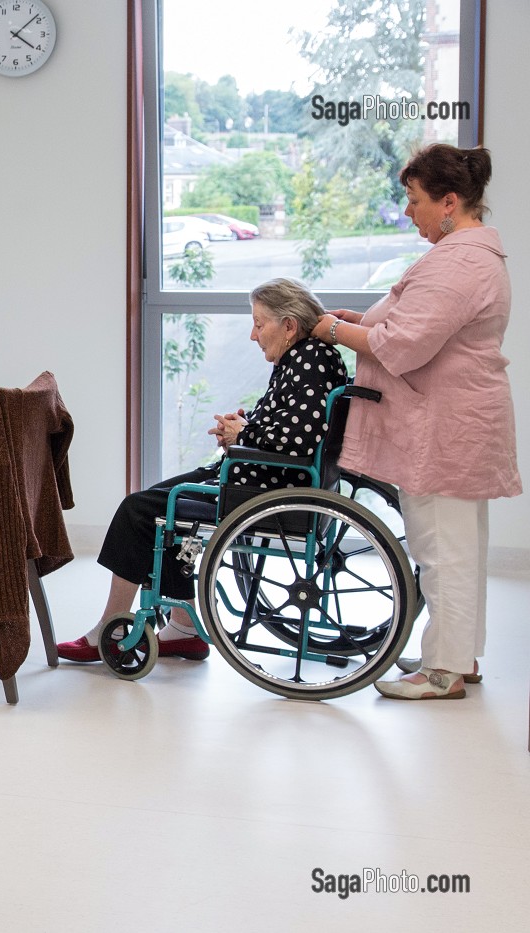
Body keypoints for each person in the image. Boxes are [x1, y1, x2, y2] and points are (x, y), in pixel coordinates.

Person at [312, 144, 520, 701]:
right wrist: (360, 321)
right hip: (451, 422)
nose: (408, 212)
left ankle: (442, 672)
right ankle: (456, 657)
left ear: (449, 202)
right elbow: (415, 324)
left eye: (415, 200)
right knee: (457, 548)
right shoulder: (465, 256)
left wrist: (334, 331)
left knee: (441, 550)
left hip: (444, 428)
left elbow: (403, 345)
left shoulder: (460, 262)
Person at [57, 278, 348, 663]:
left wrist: (244, 434)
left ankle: (110, 629)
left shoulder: (309, 361)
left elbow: (298, 441)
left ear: (289, 325)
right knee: (158, 506)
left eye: (259, 324)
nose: (253, 335)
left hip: (263, 490)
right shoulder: (307, 358)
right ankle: (183, 627)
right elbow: (291, 426)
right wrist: (241, 428)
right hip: (258, 478)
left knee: (139, 511)